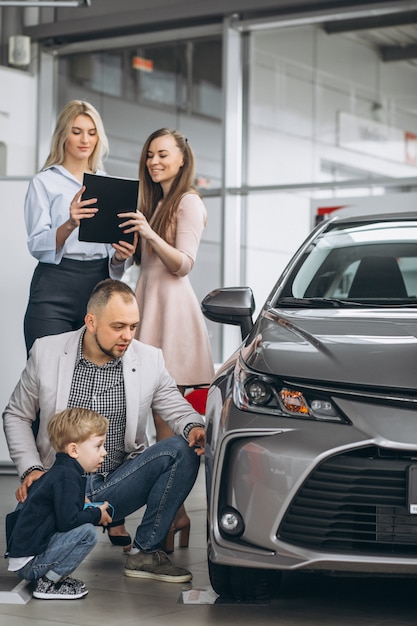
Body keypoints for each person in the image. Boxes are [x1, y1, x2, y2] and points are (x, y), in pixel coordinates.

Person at [3, 278, 205, 583]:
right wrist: (30, 469)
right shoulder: (47, 352)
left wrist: (194, 427)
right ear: (91, 321)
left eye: (133, 327)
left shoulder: (148, 359)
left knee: (182, 448)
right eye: (118, 326)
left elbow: (176, 408)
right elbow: (16, 415)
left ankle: (145, 553)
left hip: (115, 482)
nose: (127, 336)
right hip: (57, 485)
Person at [118, 128, 214, 551]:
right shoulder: (153, 204)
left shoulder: (188, 201)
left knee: (168, 426)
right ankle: (173, 515)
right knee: (156, 422)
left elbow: (183, 265)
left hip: (172, 312)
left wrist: (151, 235)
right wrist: (128, 251)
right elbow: (149, 263)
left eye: (163, 154)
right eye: (149, 155)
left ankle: (173, 515)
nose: (154, 161)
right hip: (148, 304)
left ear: (181, 159)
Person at [23, 99, 136, 355]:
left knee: (92, 374)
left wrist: (121, 257)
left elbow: (114, 259)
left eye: (92, 133)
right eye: (77, 132)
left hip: (99, 285)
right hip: (55, 284)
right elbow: (37, 245)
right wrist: (70, 223)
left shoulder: (108, 184)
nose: (85, 139)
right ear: (63, 136)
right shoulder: (44, 182)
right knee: (47, 372)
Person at [5, 408, 112, 600]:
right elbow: (68, 522)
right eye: (98, 446)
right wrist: (97, 515)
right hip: (30, 562)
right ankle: (48, 583)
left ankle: (51, 578)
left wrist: (92, 509)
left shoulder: (64, 471)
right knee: (87, 533)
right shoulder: (67, 476)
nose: (104, 453)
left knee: (84, 526)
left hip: (28, 553)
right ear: (73, 450)